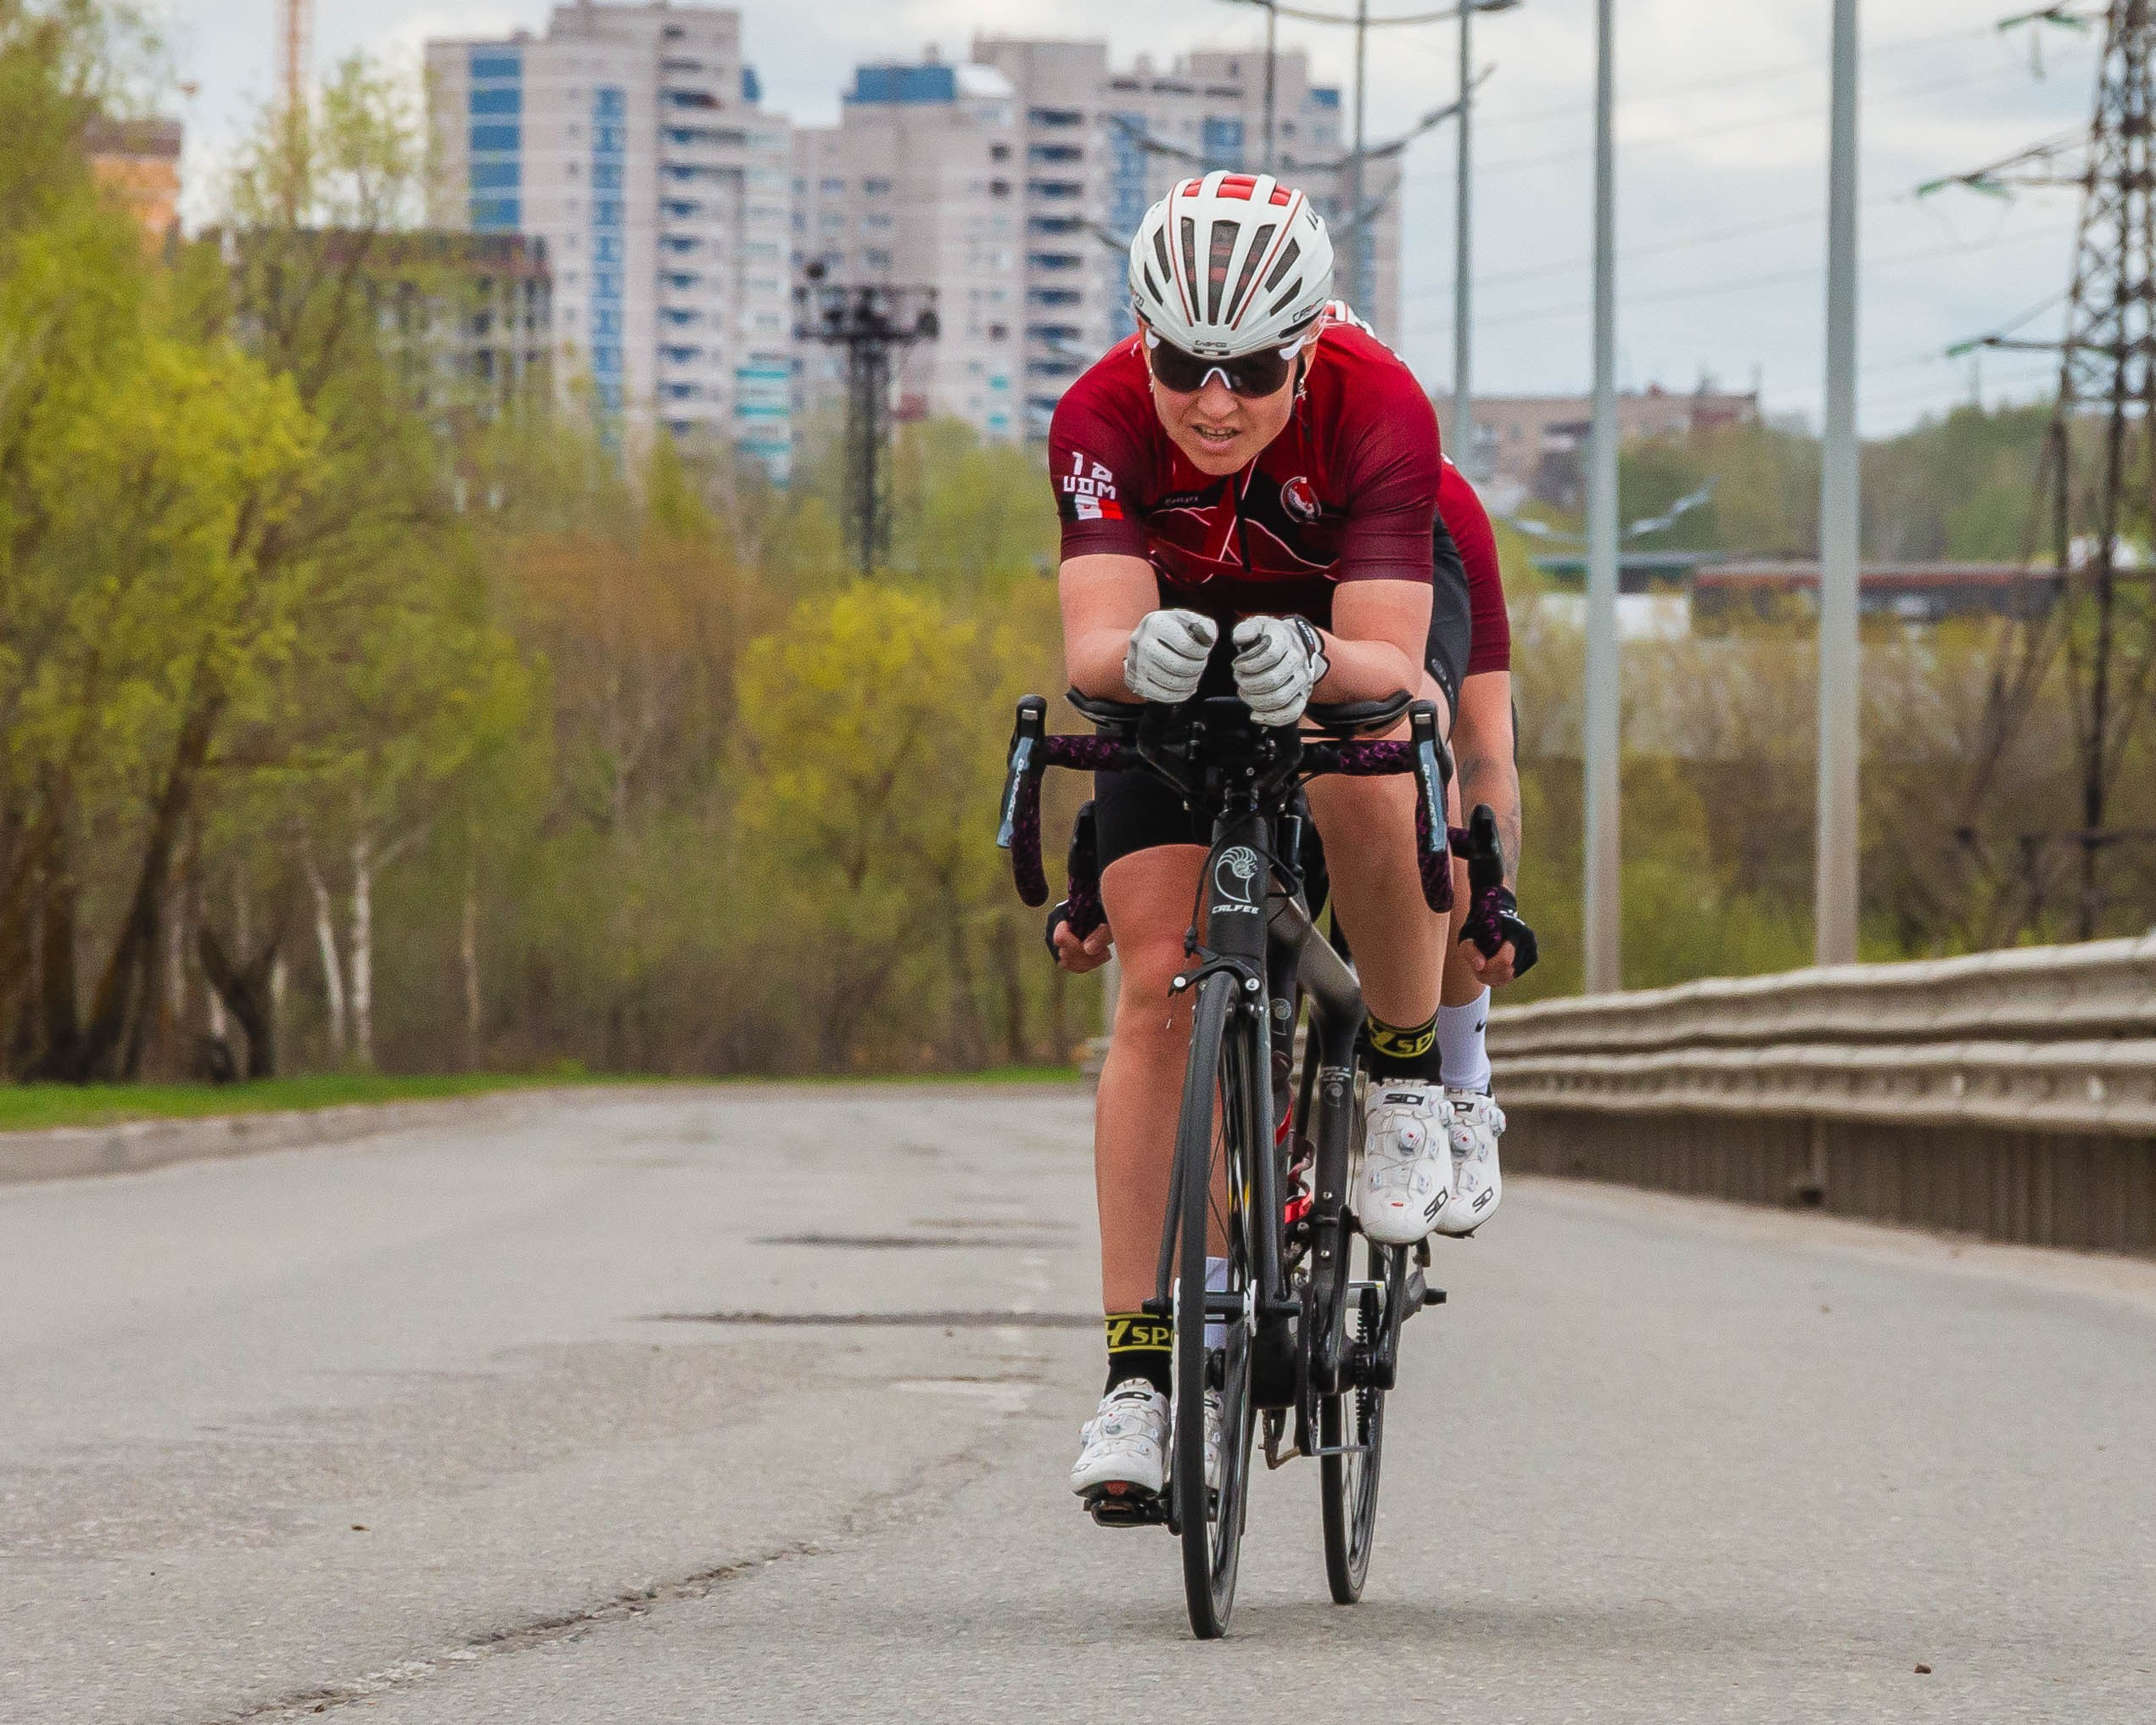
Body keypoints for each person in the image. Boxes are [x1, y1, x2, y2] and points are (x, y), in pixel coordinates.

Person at [1042, 171, 1532, 1509]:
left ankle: (1408, 1062)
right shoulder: (1093, 414)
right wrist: (1135, 656)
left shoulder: (1380, 410)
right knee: (1153, 984)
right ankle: (1139, 1377)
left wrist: (1481, 878)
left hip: (1344, 646)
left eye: (1252, 370)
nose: (1213, 400)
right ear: (1144, 344)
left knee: (1379, 781)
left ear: (1308, 345)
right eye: (1186, 367)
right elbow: (1090, 642)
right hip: (1187, 668)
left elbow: (1425, 697)